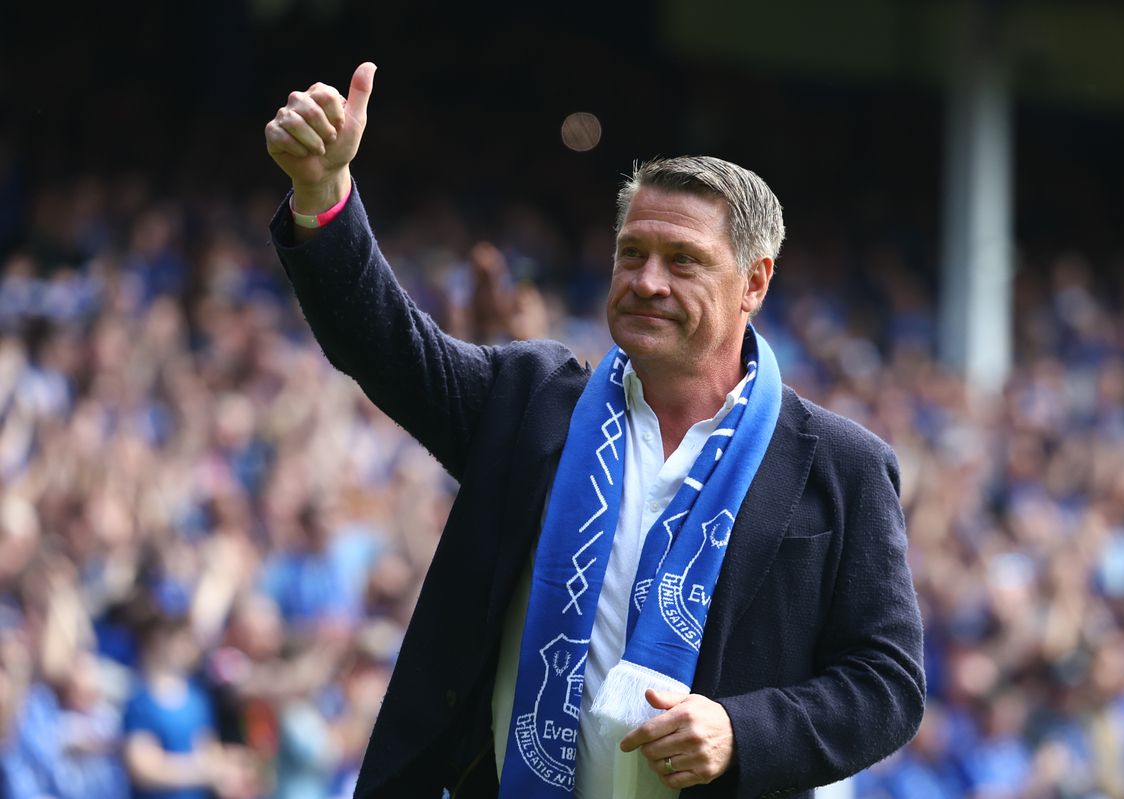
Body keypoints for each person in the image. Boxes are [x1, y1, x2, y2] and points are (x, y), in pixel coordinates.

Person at [263, 62, 924, 799]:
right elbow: (382, 342)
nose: (647, 280)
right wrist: (324, 192)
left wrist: (741, 730)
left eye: (683, 262)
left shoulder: (842, 466)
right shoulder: (530, 404)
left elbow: (886, 685)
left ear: (756, 283)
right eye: (631, 253)